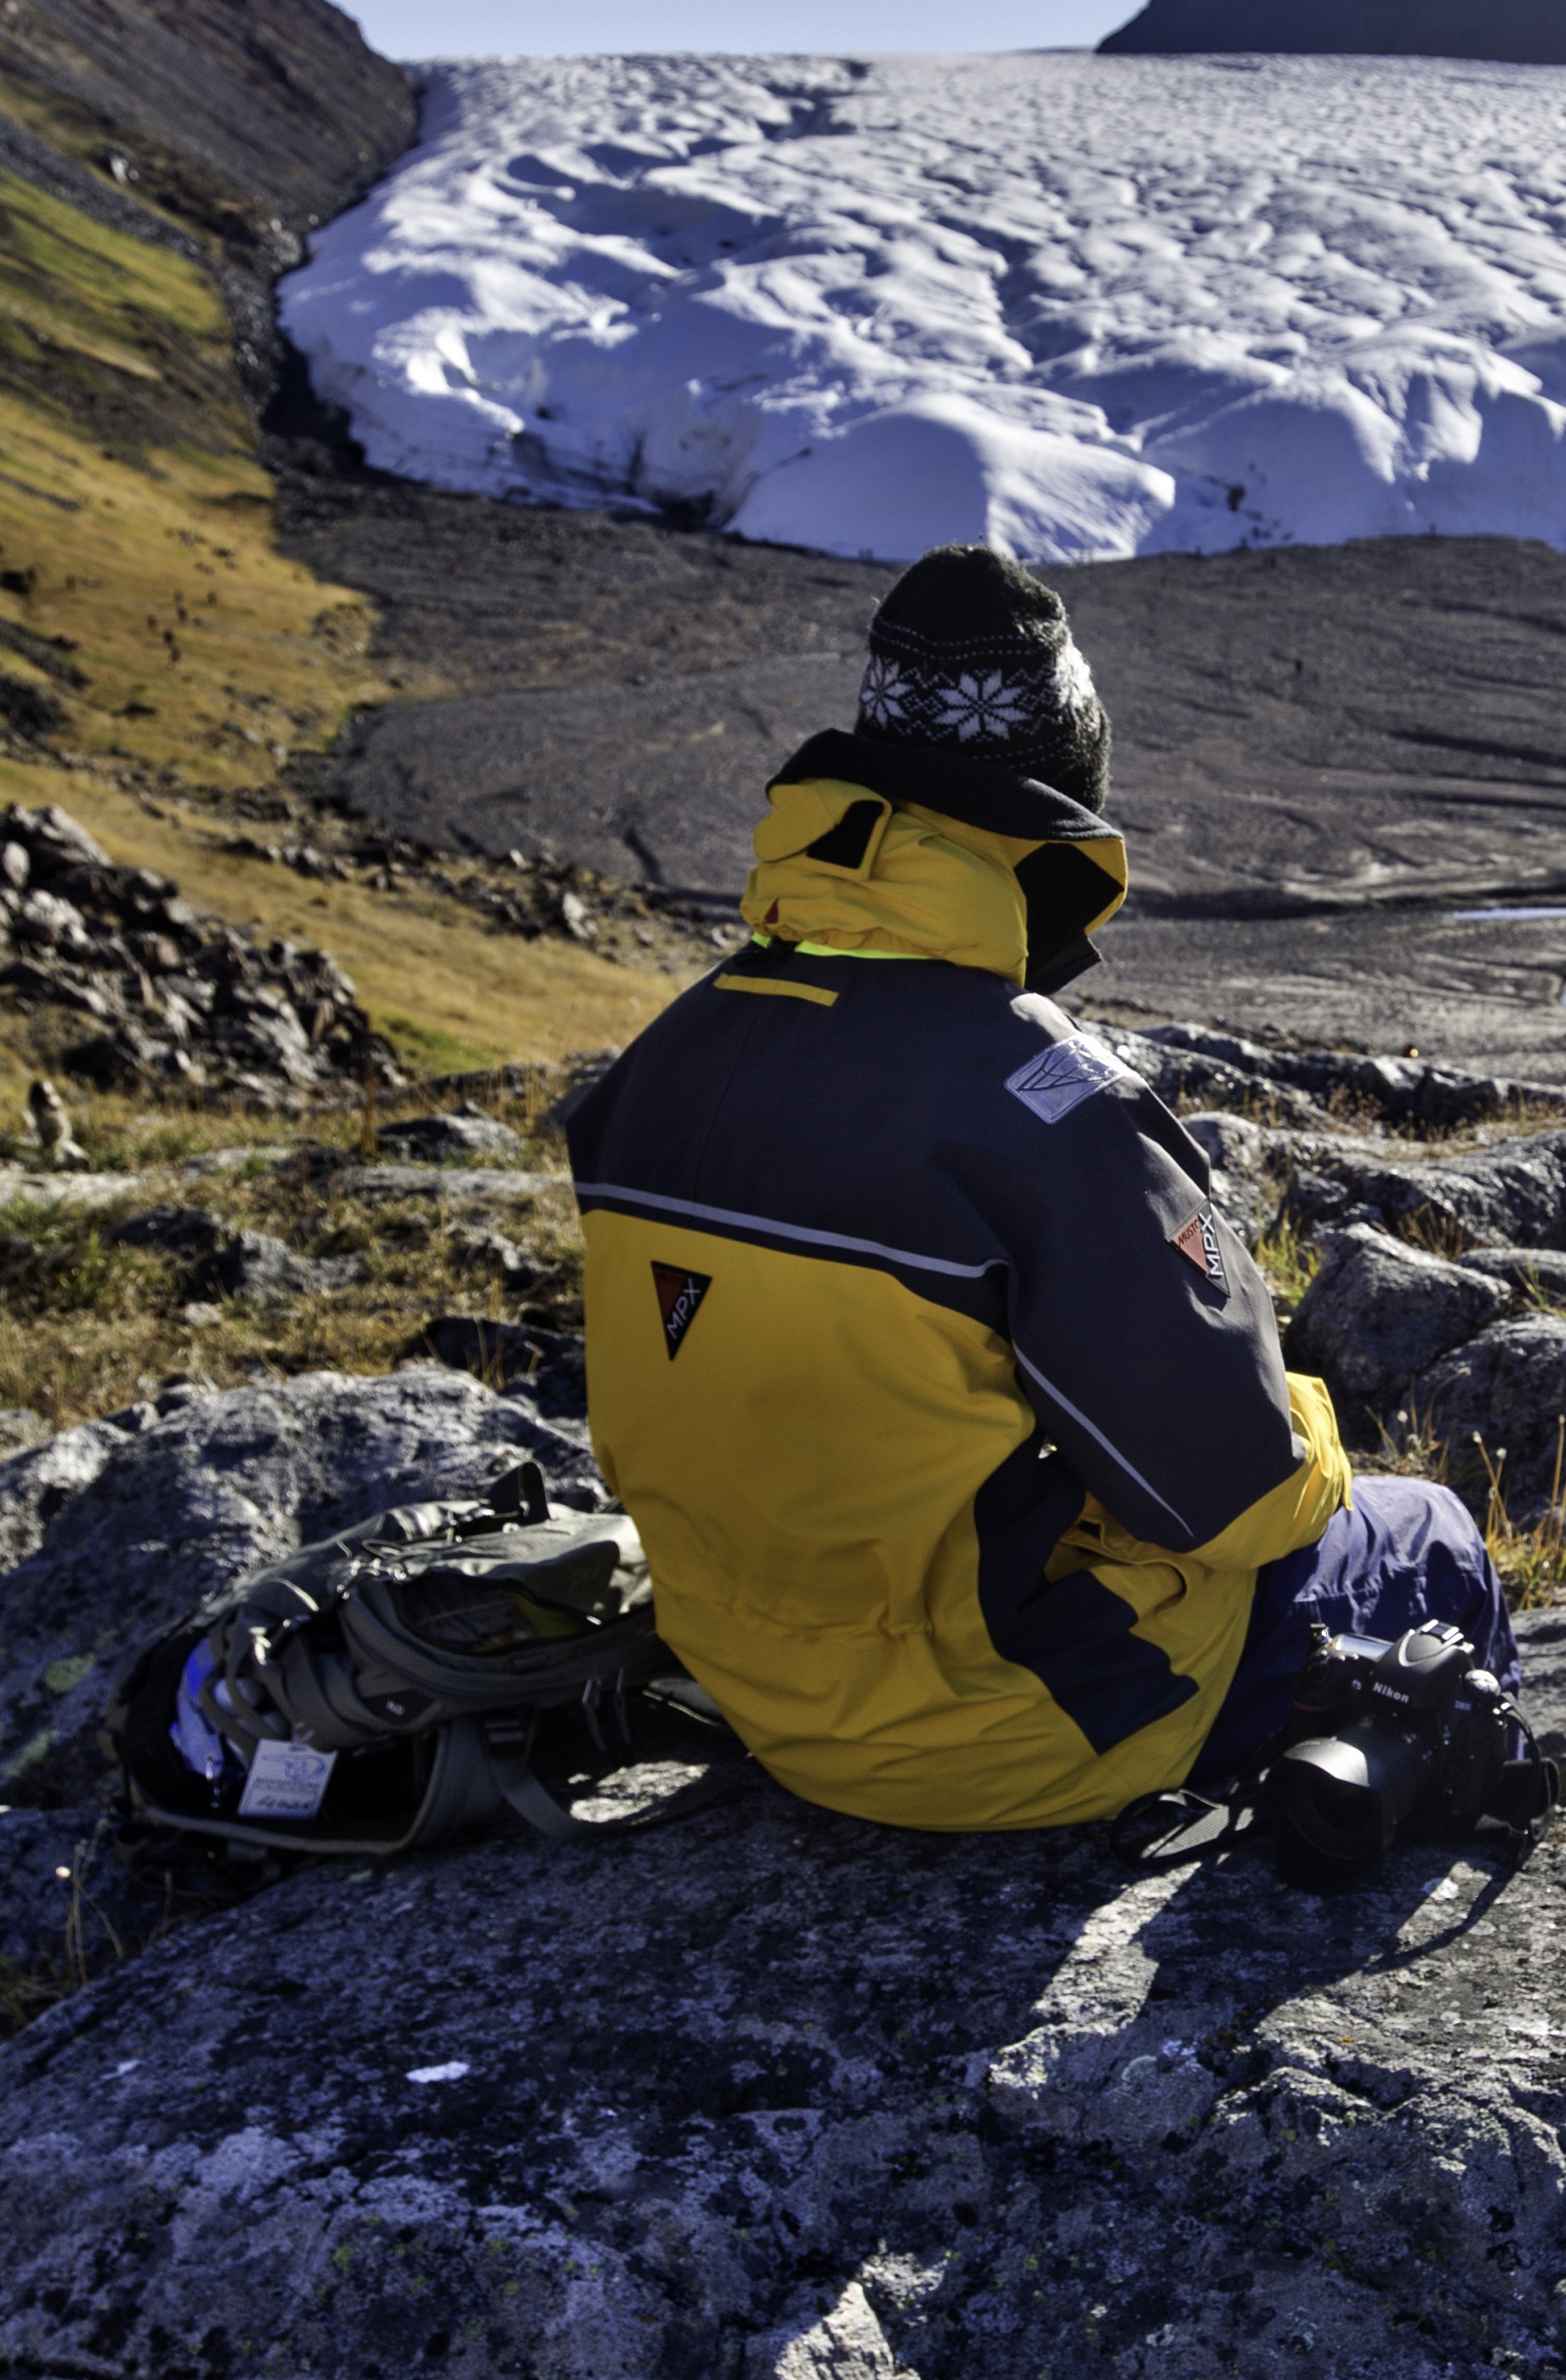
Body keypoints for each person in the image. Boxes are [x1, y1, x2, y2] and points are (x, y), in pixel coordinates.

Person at [558, 544, 1516, 1832]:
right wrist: (1308, 1424)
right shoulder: (1043, 1106)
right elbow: (1236, 1498)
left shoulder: (667, 1057)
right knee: (1432, 1535)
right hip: (1002, 1732)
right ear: (1058, 809)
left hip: (756, 1692)